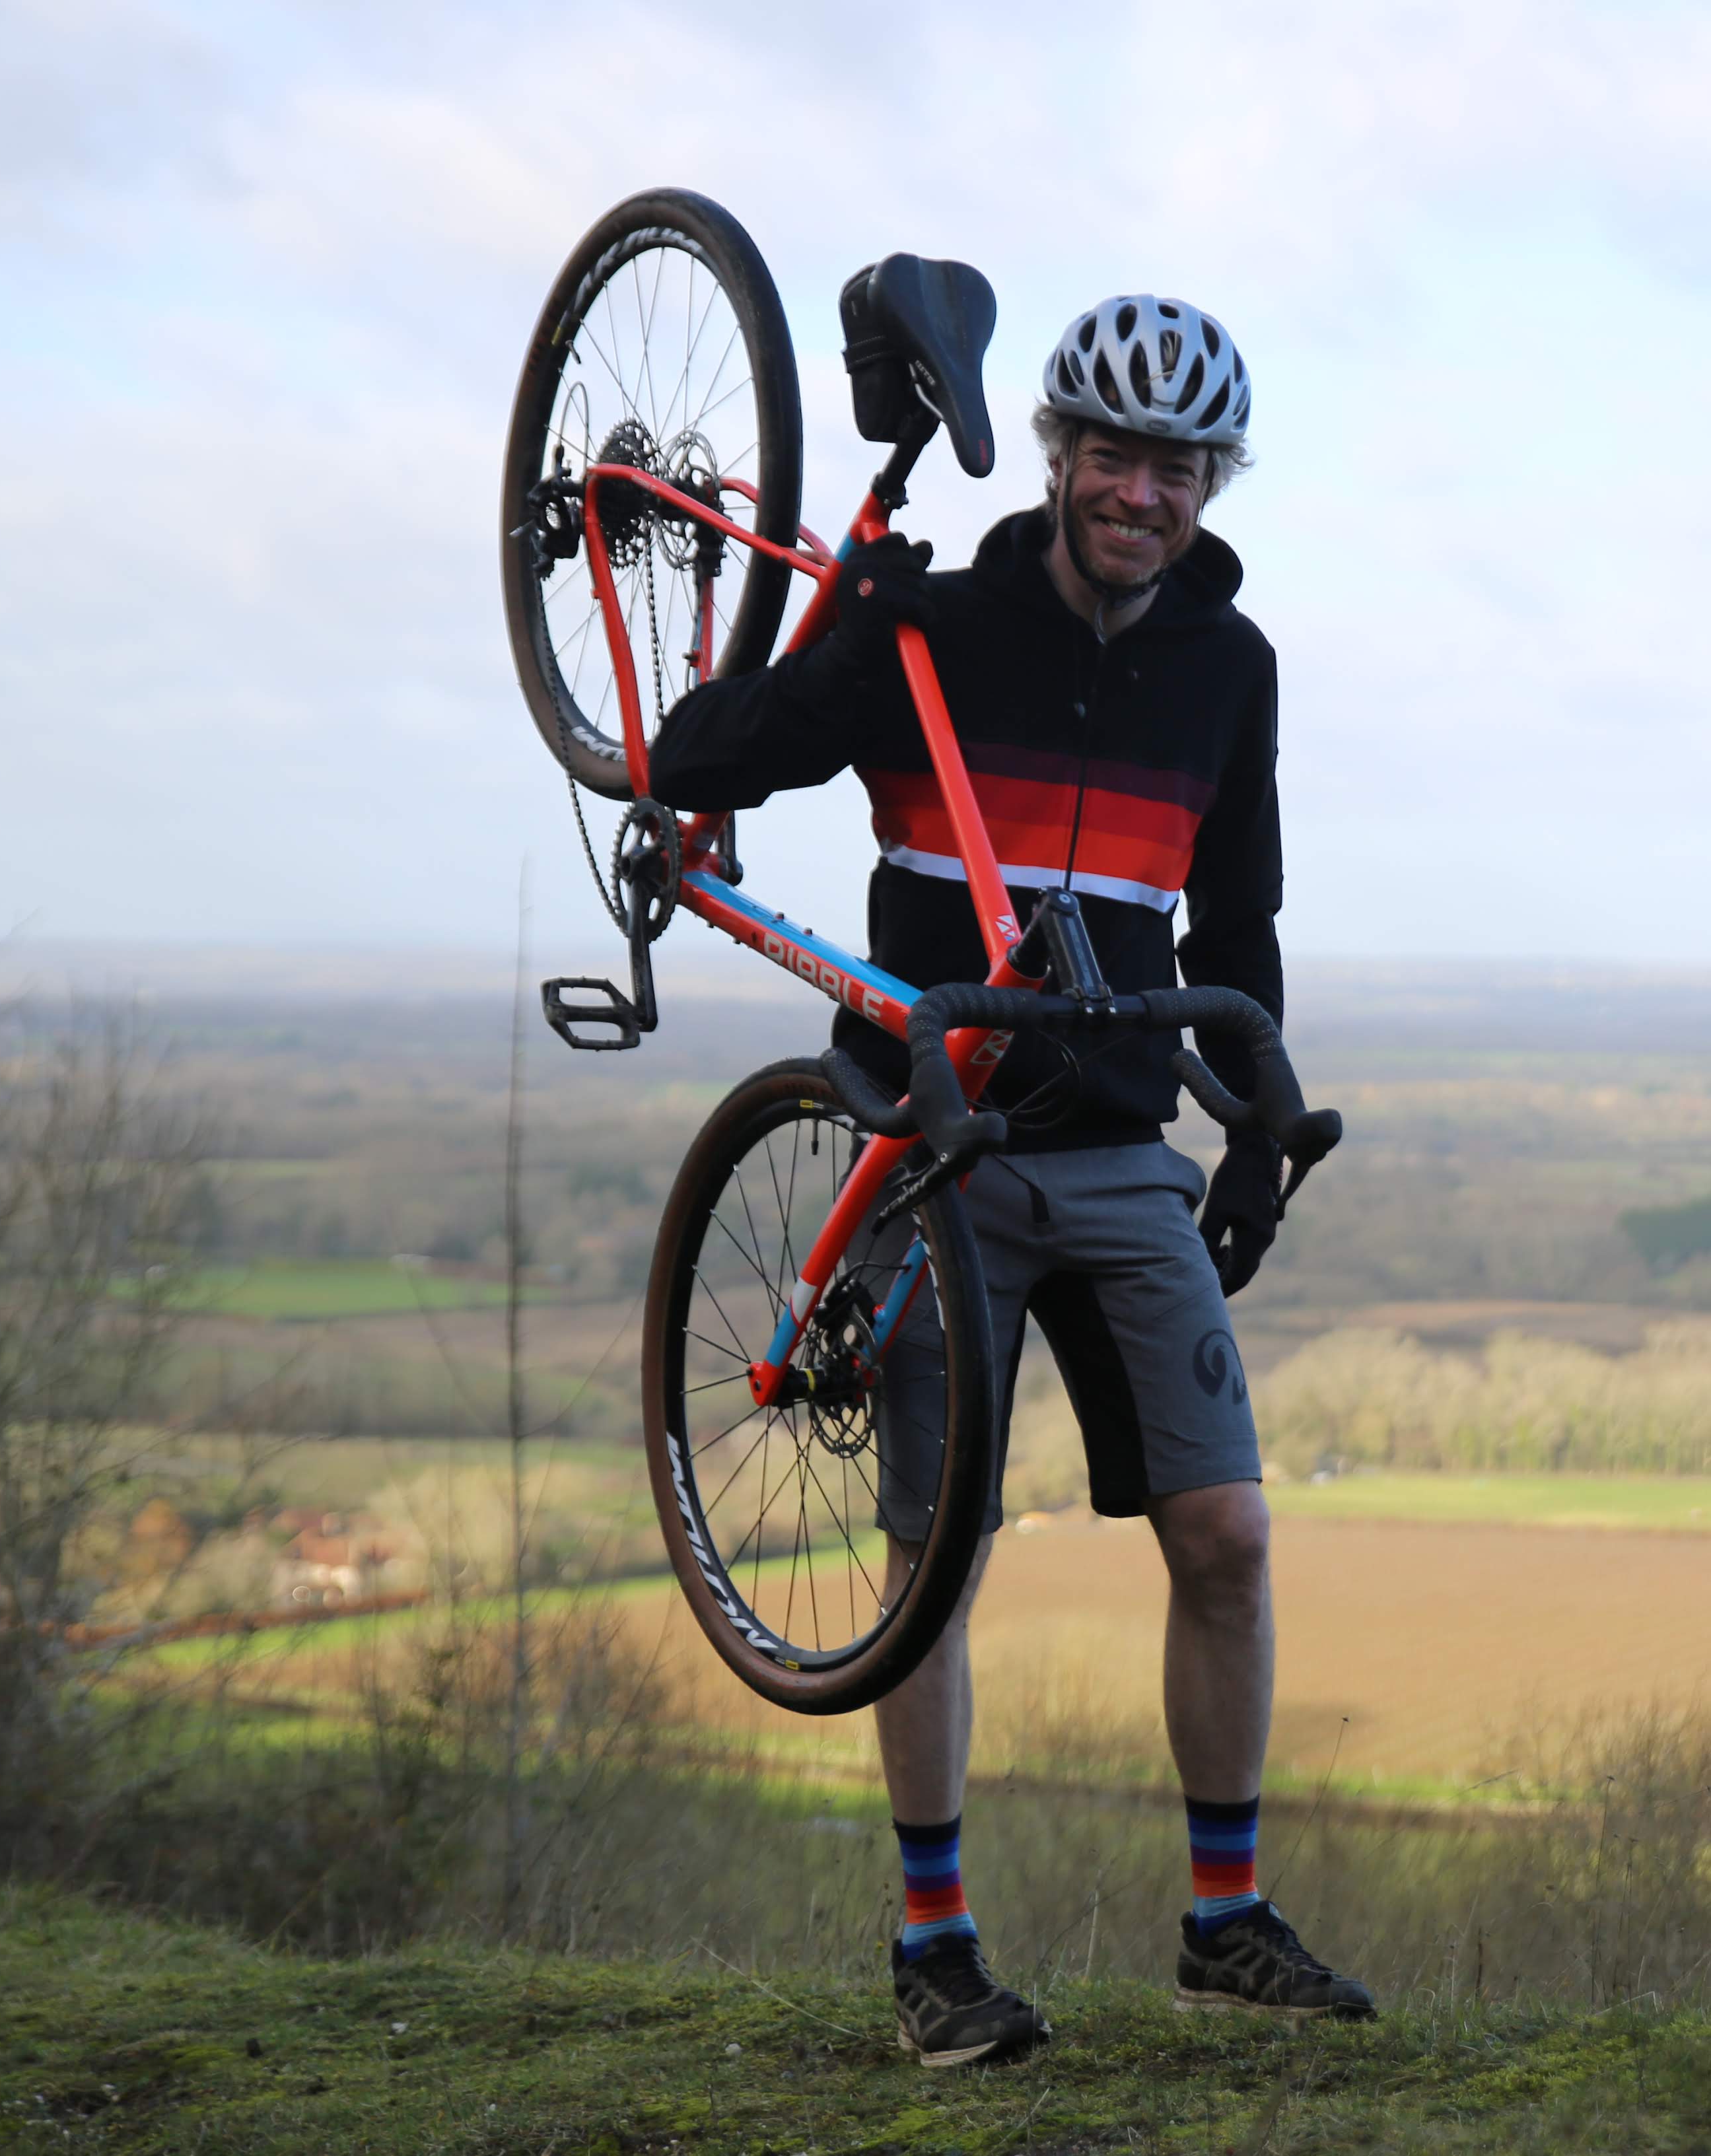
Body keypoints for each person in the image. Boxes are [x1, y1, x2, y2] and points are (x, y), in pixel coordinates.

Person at [651, 293, 1373, 2065]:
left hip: (1118, 1145)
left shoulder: (1232, 669)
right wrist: (846, 635)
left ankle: (1223, 1920)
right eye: (1112, 457)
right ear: (1056, 459)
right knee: (934, 1562)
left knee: (1228, 1533)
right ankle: (934, 1946)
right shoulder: (943, 628)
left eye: (1177, 469)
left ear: (1212, 486)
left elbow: (1238, 920)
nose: (1141, 494)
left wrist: (1251, 1126)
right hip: (932, 1145)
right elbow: (704, 761)